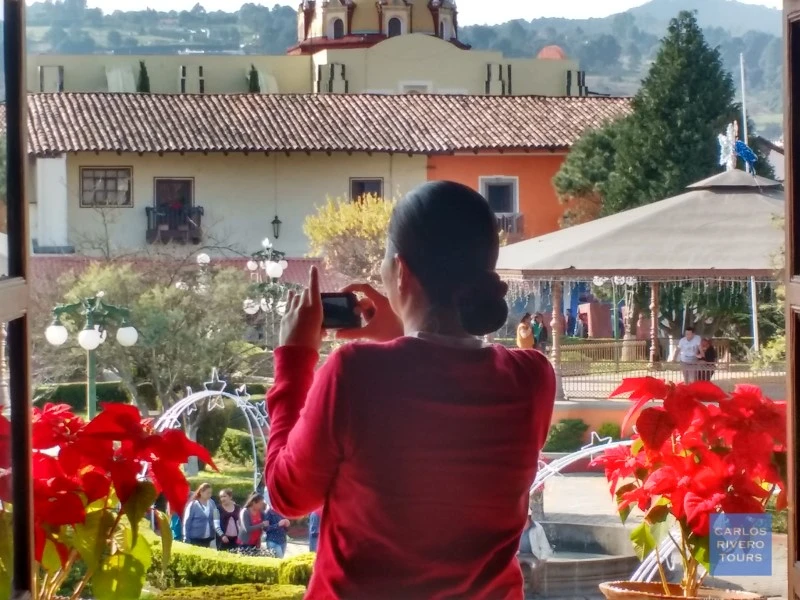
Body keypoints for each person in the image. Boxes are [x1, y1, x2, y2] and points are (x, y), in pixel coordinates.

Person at [265, 181, 556, 599]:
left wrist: (293, 358)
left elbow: (287, 494)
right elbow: (443, 378)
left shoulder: (355, 372)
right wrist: (401, 331)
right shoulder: (532, 379)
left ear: (400, 270)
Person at [183, 483, 223, 548]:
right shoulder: (193, 505)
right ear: (201, 492)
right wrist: (186, 537)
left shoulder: (212, 503)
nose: (210, 495)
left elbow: (215, 517)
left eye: (210, 493)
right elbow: (187, 522)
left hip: (208, 537)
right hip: (195, 537)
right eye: (208, 493)